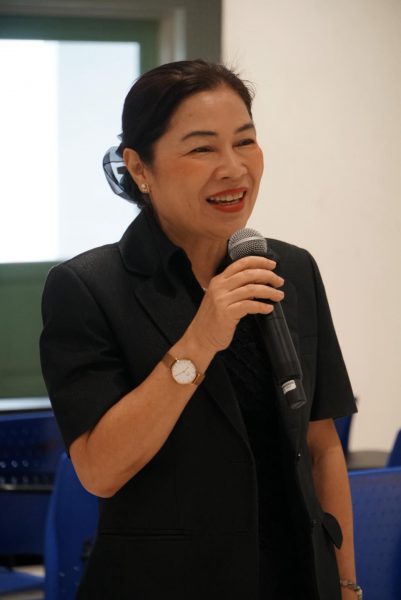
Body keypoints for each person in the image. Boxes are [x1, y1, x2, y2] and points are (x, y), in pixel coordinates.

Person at [40, 59, 361, 600]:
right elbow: (99, 470)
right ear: (140, 168)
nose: (234, 168)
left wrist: (347, 585)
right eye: (202, 149)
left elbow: (321, 447)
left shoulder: (291, 269)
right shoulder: (88, 287)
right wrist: (200, 340)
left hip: (295, 580)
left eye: (245, 141)